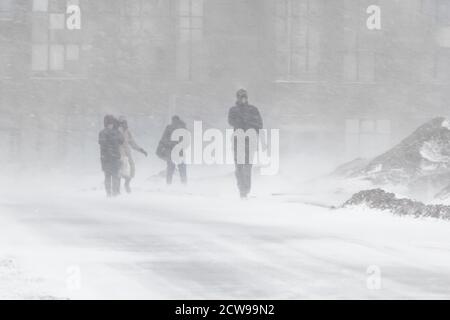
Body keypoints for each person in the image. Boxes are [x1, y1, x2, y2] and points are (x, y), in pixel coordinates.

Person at [228, 89, 263, 199]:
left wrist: (249, 124)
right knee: (239, 166)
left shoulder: (253, 110)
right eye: (241, 96)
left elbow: (260, 124)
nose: (243, 98)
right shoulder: (233, 110)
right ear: (237, 97)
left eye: (244, 96)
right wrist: (242, 122)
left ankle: (246, 189)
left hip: (249, 140)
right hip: (238, 140)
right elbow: (230, 121)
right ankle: (241, 189)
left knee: (247, 166)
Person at [117, 116, 148, 193]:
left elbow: (132, 143)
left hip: (128, 153)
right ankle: (117, 188)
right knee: (121, 170)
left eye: (126, 122)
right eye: (124, 123)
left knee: (132, 168)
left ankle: (127, 184)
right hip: (120, 153)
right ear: (120, 124)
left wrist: (141, 150)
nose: (126, 124)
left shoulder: (128, 132)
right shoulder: (116, 131)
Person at [156, 115, 187, 185]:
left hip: (171, 151)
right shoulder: (183, 128)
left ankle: (169, 184)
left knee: (170, 168)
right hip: (179, 151)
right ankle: (184, 183)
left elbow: (163, 139)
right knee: (181, 167)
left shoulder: (169, 128)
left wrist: (162, 146)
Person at [99, 115, 124, 197]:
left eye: (112, 123)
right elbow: (104, 144)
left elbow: (121, 140)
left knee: (112, 175)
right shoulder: (107, 133)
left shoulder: (105, 132)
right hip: (109, 158)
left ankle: (113, 192)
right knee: (110, 176)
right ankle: (110, 193)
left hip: (109, 157)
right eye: (109, 123)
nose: (111, 125)